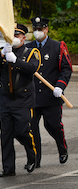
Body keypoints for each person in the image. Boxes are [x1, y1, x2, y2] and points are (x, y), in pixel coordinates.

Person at [0, 23, 39, 177]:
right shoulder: (3, 51)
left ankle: (32, 153)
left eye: (17, 36)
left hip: (23, 99)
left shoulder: (31, 52)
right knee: (5, 135)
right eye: (11, 36)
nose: (14, 38)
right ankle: (8, 168)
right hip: (5, 99)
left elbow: (32, 68)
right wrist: (2, 56)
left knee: (22, 131)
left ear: (23, 38)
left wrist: (15, 61)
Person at [26, 17, 72, 166]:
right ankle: (35, 159)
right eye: (35, 29)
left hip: (51, 96)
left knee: (53, 125)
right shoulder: (29, 48)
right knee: (31, 129)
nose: (38, 32)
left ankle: (62, 148)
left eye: (40, 29)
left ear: (46, 29)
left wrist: (60, 86)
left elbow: (66, 69)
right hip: (33, 97)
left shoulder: (57, 47)